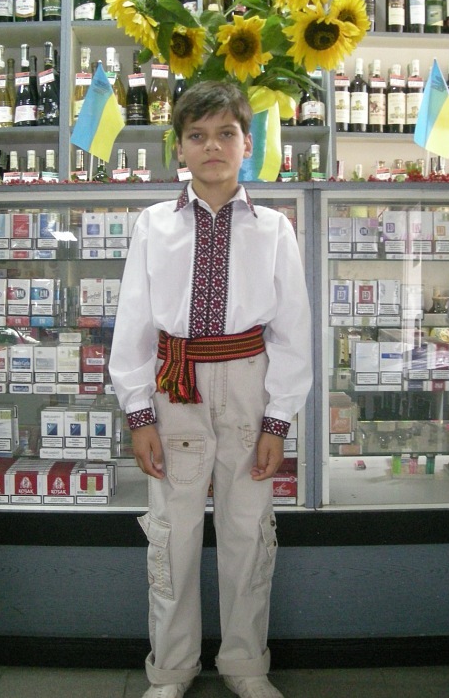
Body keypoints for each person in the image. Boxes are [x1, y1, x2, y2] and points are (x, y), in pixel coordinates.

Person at [109, 80, 312, 698]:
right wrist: (139, 413)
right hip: (175, 386)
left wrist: (278, 419)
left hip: (249, 385)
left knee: (248, 529)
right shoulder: (154, 224)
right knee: (172, 532)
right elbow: (134, 322)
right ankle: (171, 668)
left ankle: (245, 664)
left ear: (248, 143)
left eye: (226, 133)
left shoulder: (274, 228)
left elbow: (292, 329)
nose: (212, 146)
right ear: (179, 147)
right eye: (197, 135)